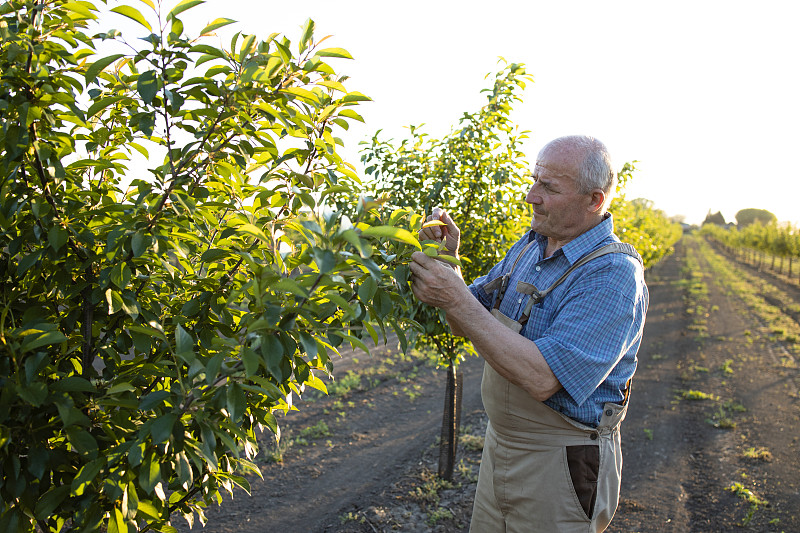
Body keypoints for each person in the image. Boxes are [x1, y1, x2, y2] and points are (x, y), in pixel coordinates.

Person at [408, 135, 649, 533]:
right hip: (500, 447)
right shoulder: (530, 247)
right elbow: (464, 321)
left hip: (559, 464)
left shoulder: (612, 275)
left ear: (594, 200)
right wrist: (449, 267)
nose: (530, 196)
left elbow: (542, 379)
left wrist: (455, 295)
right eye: (533, 180)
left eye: (549, 187)